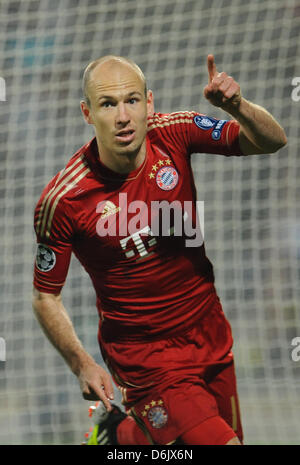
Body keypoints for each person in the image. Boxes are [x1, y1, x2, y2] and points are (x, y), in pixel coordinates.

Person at [32, 54, 287, 446]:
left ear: (149, 103)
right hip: (145, 355)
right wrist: (81, 363)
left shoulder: (175, 133)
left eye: (132, 100)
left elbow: (272, 141)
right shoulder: (64, 200)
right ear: (87, 113)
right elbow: (45, 296)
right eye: (108, 104)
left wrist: (236, 107)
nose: (123, 116)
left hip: (209, 330)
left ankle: (122, 436)